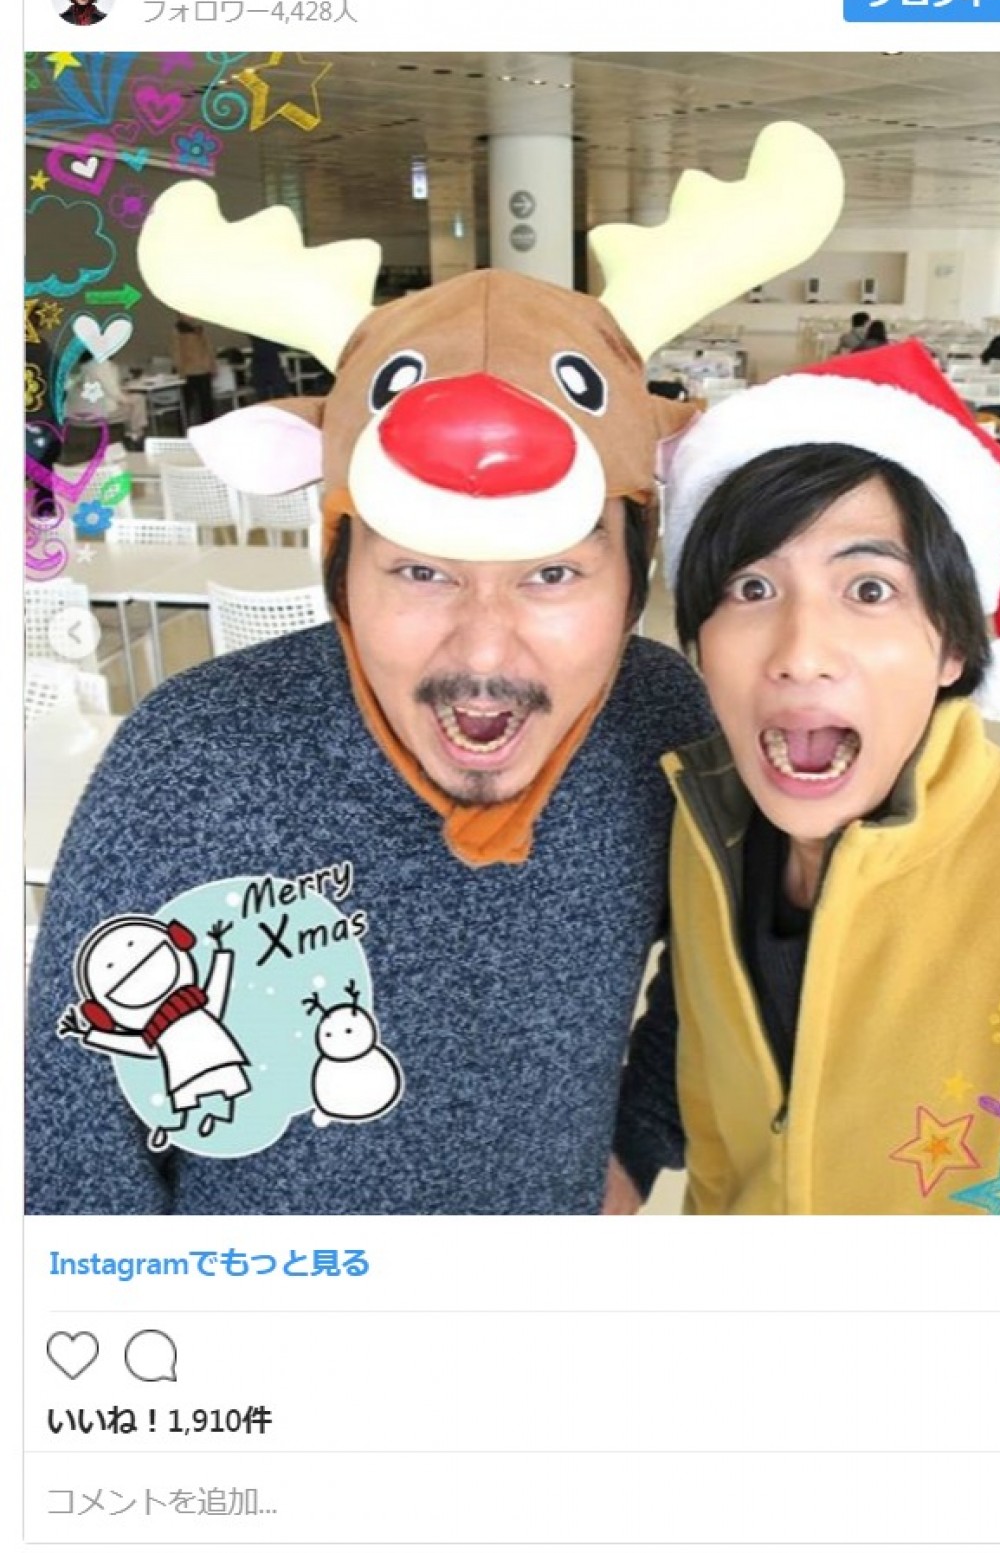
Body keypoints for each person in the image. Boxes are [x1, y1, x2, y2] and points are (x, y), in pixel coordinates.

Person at [26, 106, 849, 1215]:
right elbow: (71, 1139)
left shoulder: (662, 724)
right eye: (421, 570)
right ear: (339, 571)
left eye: (552, 573)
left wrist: (631, 1148)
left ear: (634, 580)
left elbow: (725, 966)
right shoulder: (191, 761)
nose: (485, 650)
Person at [642, 340, 1000, 1215]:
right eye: (751, 588)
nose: (801, 653)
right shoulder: (704, 825)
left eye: (869, 589)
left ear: (955, 645)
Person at [172, 315, 217, 425]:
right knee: (186, 402)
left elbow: (208, 348)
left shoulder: (200, 329)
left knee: (206, 402)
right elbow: (177, 351)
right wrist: (180, 370)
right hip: (188, 371)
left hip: (204, 369)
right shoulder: (178, 331)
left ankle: (209, 425)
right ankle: (183, 427)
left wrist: (212, 365)